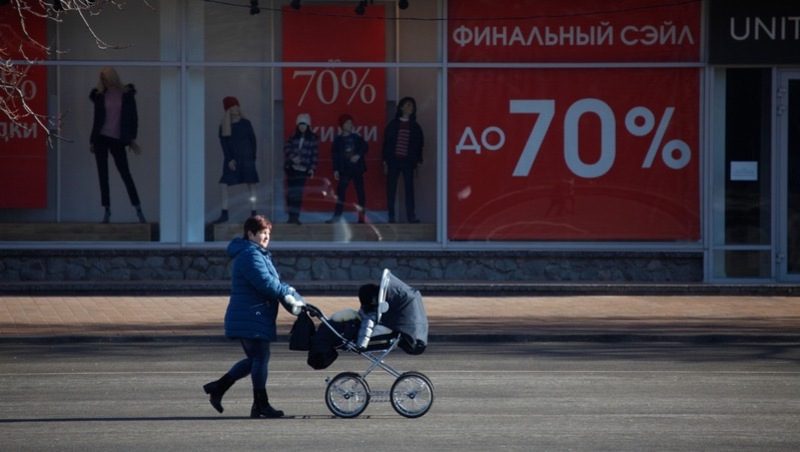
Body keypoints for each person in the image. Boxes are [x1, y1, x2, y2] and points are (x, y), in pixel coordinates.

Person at [203, 215, 306, 418]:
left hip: (254, 314)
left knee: (256, 359)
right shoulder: (250, 255)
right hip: (251, 314)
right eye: (262, 233)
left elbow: (272, 283)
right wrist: (291, 294)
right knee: (259, 358)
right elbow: (266, 284)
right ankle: (260, 404)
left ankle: (220, 388)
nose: (266, 237)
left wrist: (291, 294)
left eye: (268, 233)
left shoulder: (257, 253)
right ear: (250, 234)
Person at [89, 67, 145, 224]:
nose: (104, 81)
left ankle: (138, 209)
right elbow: (97, 119)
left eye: (106, 78)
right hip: (101, 138)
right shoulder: (100, 95)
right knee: (103, 175)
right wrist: (93, 140)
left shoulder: (126, 94)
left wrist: (131, 139)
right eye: (102, 79)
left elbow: (133, 118)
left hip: (118, 139)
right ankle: (106, 210)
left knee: (125, 174)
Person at [213, 96, 259, 224]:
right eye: (232, 106)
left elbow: (253, 140)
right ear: (227, 109)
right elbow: (224, 144)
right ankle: (224, 213)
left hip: (247, 158)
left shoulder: (246, 123)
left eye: (236, 105)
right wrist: (229, 159)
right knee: (224, 184)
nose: (235, 108)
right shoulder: (224, 126)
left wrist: (253, 157)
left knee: (251, 184)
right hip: (232, 159)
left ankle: (254, 212)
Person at [382, 96, 424, 223]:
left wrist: (417, 162)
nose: (409, 108)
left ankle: (411, 216)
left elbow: (419, 145)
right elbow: (386, 143)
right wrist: (385, 161)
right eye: (407, 105)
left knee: (409, 189)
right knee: (391, 188)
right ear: (401, 107)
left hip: (408, 162)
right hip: (393, 161)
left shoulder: (415, 127)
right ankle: (391, 215)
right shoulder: (393, 125)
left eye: (411, 106)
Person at [326, 114, 368, 224]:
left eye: (351, 123)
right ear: (342, 125)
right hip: (344, 169)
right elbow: (335, 155)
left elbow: (365, 147)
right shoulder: (338, 140)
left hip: (357, 169)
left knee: (360, 193)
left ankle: (362, 217)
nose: (350, 125)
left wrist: (358, 155)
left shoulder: (356, 137)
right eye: (347, 123)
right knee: (341, 194)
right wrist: (336, 170)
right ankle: (337, 216)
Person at [283, 113, 318, 225]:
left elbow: (314, 154)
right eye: (300, 125)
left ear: (308, 126)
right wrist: (293, 157)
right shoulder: (293, 137)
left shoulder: (313, 138)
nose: (302, 127)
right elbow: (286, 148)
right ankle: (290, 216)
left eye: (304, 125)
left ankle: (296, 217)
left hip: (303, 169)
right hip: (292, 168)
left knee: (298, 193)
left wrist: (312, 168)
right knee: (290, 193)